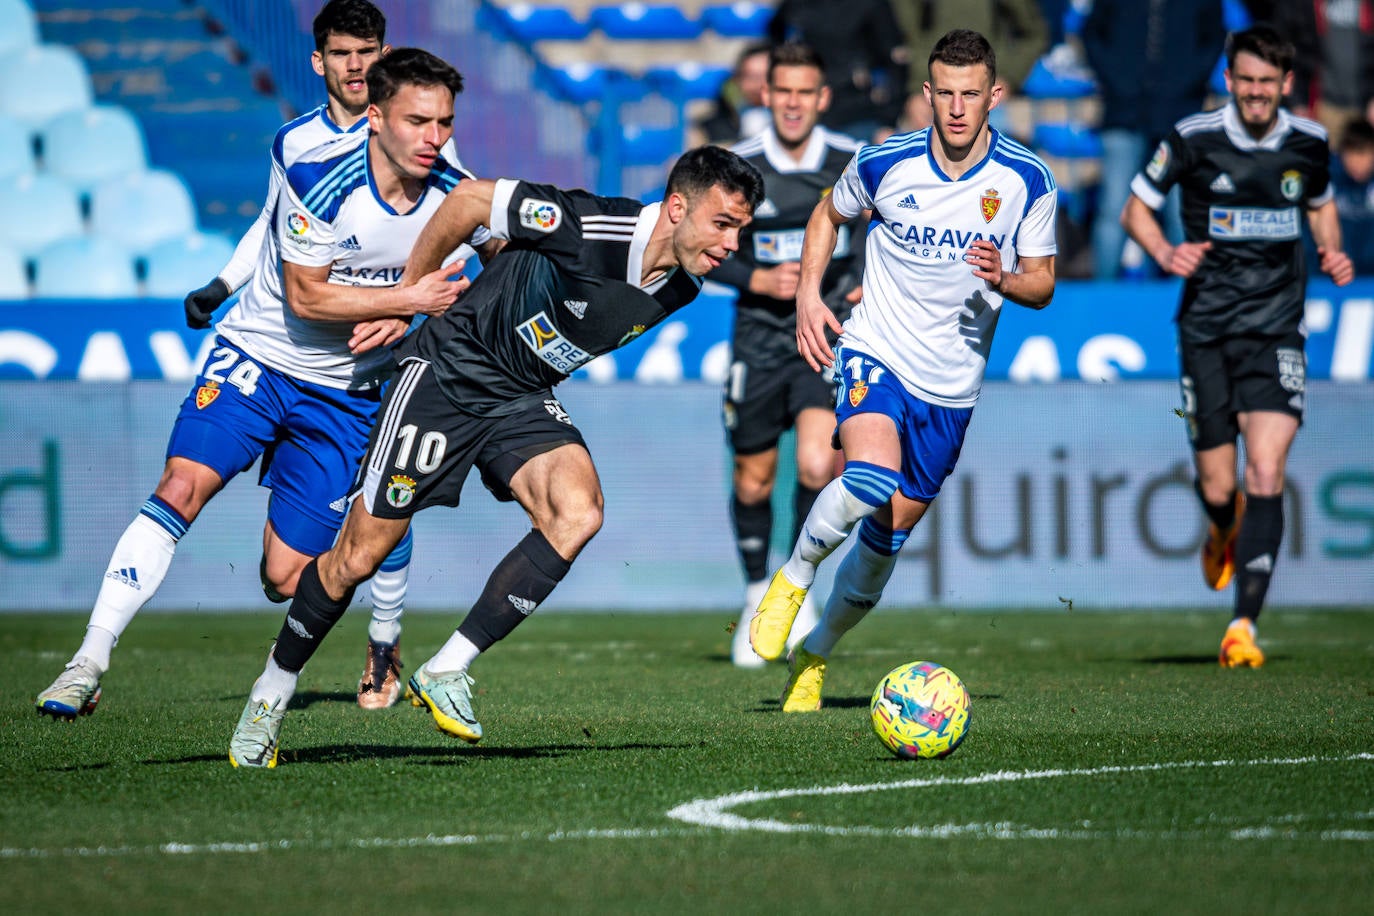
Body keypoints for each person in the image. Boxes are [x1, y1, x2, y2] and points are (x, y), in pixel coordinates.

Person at [227, 145, 764, 768]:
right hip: (446, 376)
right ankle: (271, 693)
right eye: (722, 224)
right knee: (358, 556)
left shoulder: (683, 287)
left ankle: (447, 667)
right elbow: (469, 200)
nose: (731, 242)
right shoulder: (588, 224)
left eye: (741, 229)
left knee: (578, 511)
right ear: (677, 207)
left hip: (519, 398)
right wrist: (408, 297)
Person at [34, 45, 489, 724]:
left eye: (444, 122)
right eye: (418, 120)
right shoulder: (317, 176)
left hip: (347, 394)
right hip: (261, 358)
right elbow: (308, 300)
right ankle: (87, 662)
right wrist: (405, 303)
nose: (434, 137)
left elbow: (504, 271)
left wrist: (424, 314)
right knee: (180, 487)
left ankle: (385, 625)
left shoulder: (460, 191)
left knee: (283, 579)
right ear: (375, 118)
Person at [184, 0, 482, 710]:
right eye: (344, 52)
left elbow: (475, 236)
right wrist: (225, 284)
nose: (358, 65)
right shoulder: (300, 150)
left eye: (369, 51)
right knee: (280, 576)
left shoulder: (431, 151)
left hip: (371, 367)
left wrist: (413, 307)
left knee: (392, 487)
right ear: (321, 62)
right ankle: (344, 591)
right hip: (284, 350)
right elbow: (271, 228)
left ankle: (385, 639)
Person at [748, 29, 1058, 712]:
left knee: (883, 545)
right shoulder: (885, 161)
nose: (955, 108)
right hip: (876, 347)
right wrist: (807, 294)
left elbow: (1042, 284)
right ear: (926, 94)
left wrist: (1005, 277)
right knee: (867, 478)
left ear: (994, 96)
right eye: (943, 92)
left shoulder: (1026, 179)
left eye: (969, 94)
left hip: (951, 388)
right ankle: (792, 577)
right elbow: (828, 216)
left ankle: (817, 653)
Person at [1121, 24, 1354, 667]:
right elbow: (1134, 209)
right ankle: (1223, 525)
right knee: (1220, 486)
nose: (1255, 94)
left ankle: (1242, 626)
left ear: (1285, 85)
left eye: (1266, 84)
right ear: (1229, 80)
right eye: (1245, 81)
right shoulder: (1192, 139)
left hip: (1277, 328)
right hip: (1205, 330)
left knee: (1267, 468)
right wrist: (1164, 249)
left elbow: (1321, 205)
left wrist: (1331, 248)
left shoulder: (1308, 144)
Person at [709, 42, 864, 668]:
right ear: (765, 95)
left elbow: (881, 232)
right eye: (784, 91)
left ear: (821, 98)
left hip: (824, 334)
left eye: (807, 92)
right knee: (753, 478)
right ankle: (754, 592)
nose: (794, 103)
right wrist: (756, 280)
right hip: (757, 336)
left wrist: (861, 284)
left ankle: (791, 593)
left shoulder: (849, 161)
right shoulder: (737, 164)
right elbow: (701, 240)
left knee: (813, 467)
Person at [1081, 0, 1225, 280]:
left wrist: (1184, 84)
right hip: (1123, 110)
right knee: (1113, 210)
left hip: (1179, 115)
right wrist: (1118, 81)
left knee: (1181, 214)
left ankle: (1185, 296)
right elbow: (1093, 35)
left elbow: (1213, 39)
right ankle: (1100, 298)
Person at [889, 0, 1049, 135]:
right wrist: (917, 90)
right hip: (931, 95)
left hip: (988, 96)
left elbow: (1034, 34)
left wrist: (1007, 77)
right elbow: (907, 36)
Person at [768, 0, 909, 141]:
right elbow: (777, 42)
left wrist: (888, 121)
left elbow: (896, 63)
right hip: (805, 112)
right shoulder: (795, 5)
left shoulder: (871, 4)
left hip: (859, 113)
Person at [690, 42, 771, 148]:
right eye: (751, 77)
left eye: (767, 77)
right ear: (737, 80)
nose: (760, 85)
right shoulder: (706, 128)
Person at [1328, 117, 1374, 273]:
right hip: (1332, 276)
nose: (1356, 162)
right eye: (1351, 154)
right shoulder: (1327, 181)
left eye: (1363, 154)